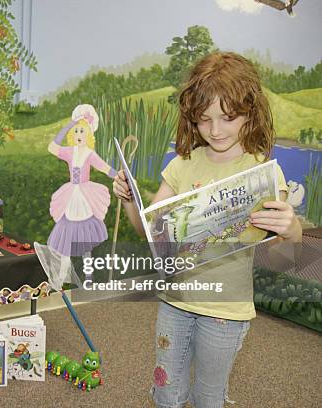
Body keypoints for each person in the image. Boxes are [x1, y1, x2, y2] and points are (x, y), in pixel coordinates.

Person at [113, 52, 302, 408]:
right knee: (166, 391)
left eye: (229, 117)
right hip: (175, 302)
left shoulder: (263, 174)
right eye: (204, 119)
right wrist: (128, 201)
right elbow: (151, 234)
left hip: (226, 311)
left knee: (208, 395)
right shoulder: (181, 165)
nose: (216, 130)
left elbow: (284, 259)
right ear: (192, 119)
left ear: (251, 111)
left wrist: (291, 231)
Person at [47, 104, 116, 260]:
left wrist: (120, 175)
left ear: (89, 134)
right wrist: (70, 124)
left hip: (85, 196)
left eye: (82, 131)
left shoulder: (90, 154)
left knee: (86, 237)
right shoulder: (70, 151)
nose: (78, 134)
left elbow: (105, 168)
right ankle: (63, 275)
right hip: (71, 195)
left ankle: (88, 276)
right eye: (76, 131)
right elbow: (52, 147)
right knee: (67, 233)